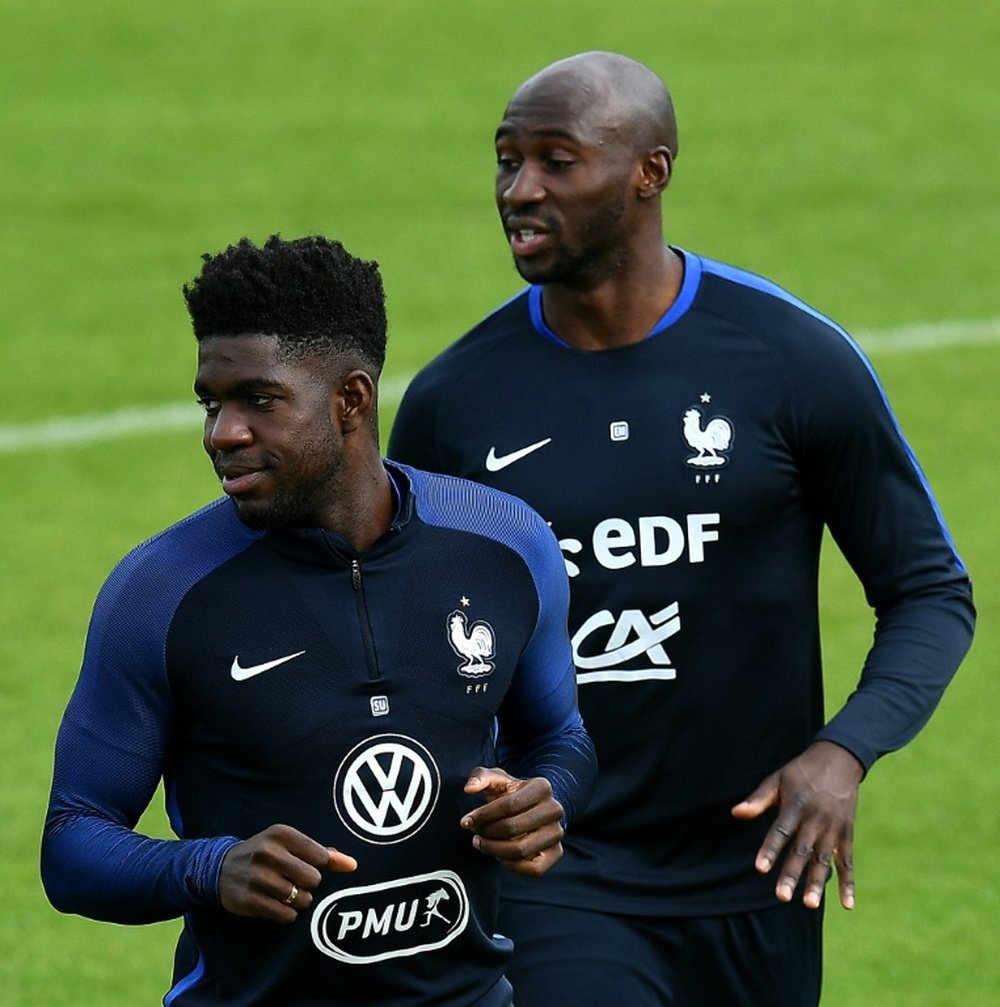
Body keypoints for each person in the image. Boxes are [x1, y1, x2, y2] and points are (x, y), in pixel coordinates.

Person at [387, 52, 976, 1006]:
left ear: (649, 172)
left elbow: (929, 592)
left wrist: (845, 750)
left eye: (556, 161)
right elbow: (402, 638)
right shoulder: (459, 403)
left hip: (761, 870)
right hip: (558, 869)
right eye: (506, 160)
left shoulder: (790, 362)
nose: (518, 190)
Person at [41, 234, 597, 1007]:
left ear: (351, 399)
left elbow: (559, 737)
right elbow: (72, 840)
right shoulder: (161, 592)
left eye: (259, 401)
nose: (221, 432)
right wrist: (207, 867)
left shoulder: (506, 543)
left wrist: (548, 796)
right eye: (212, 401)